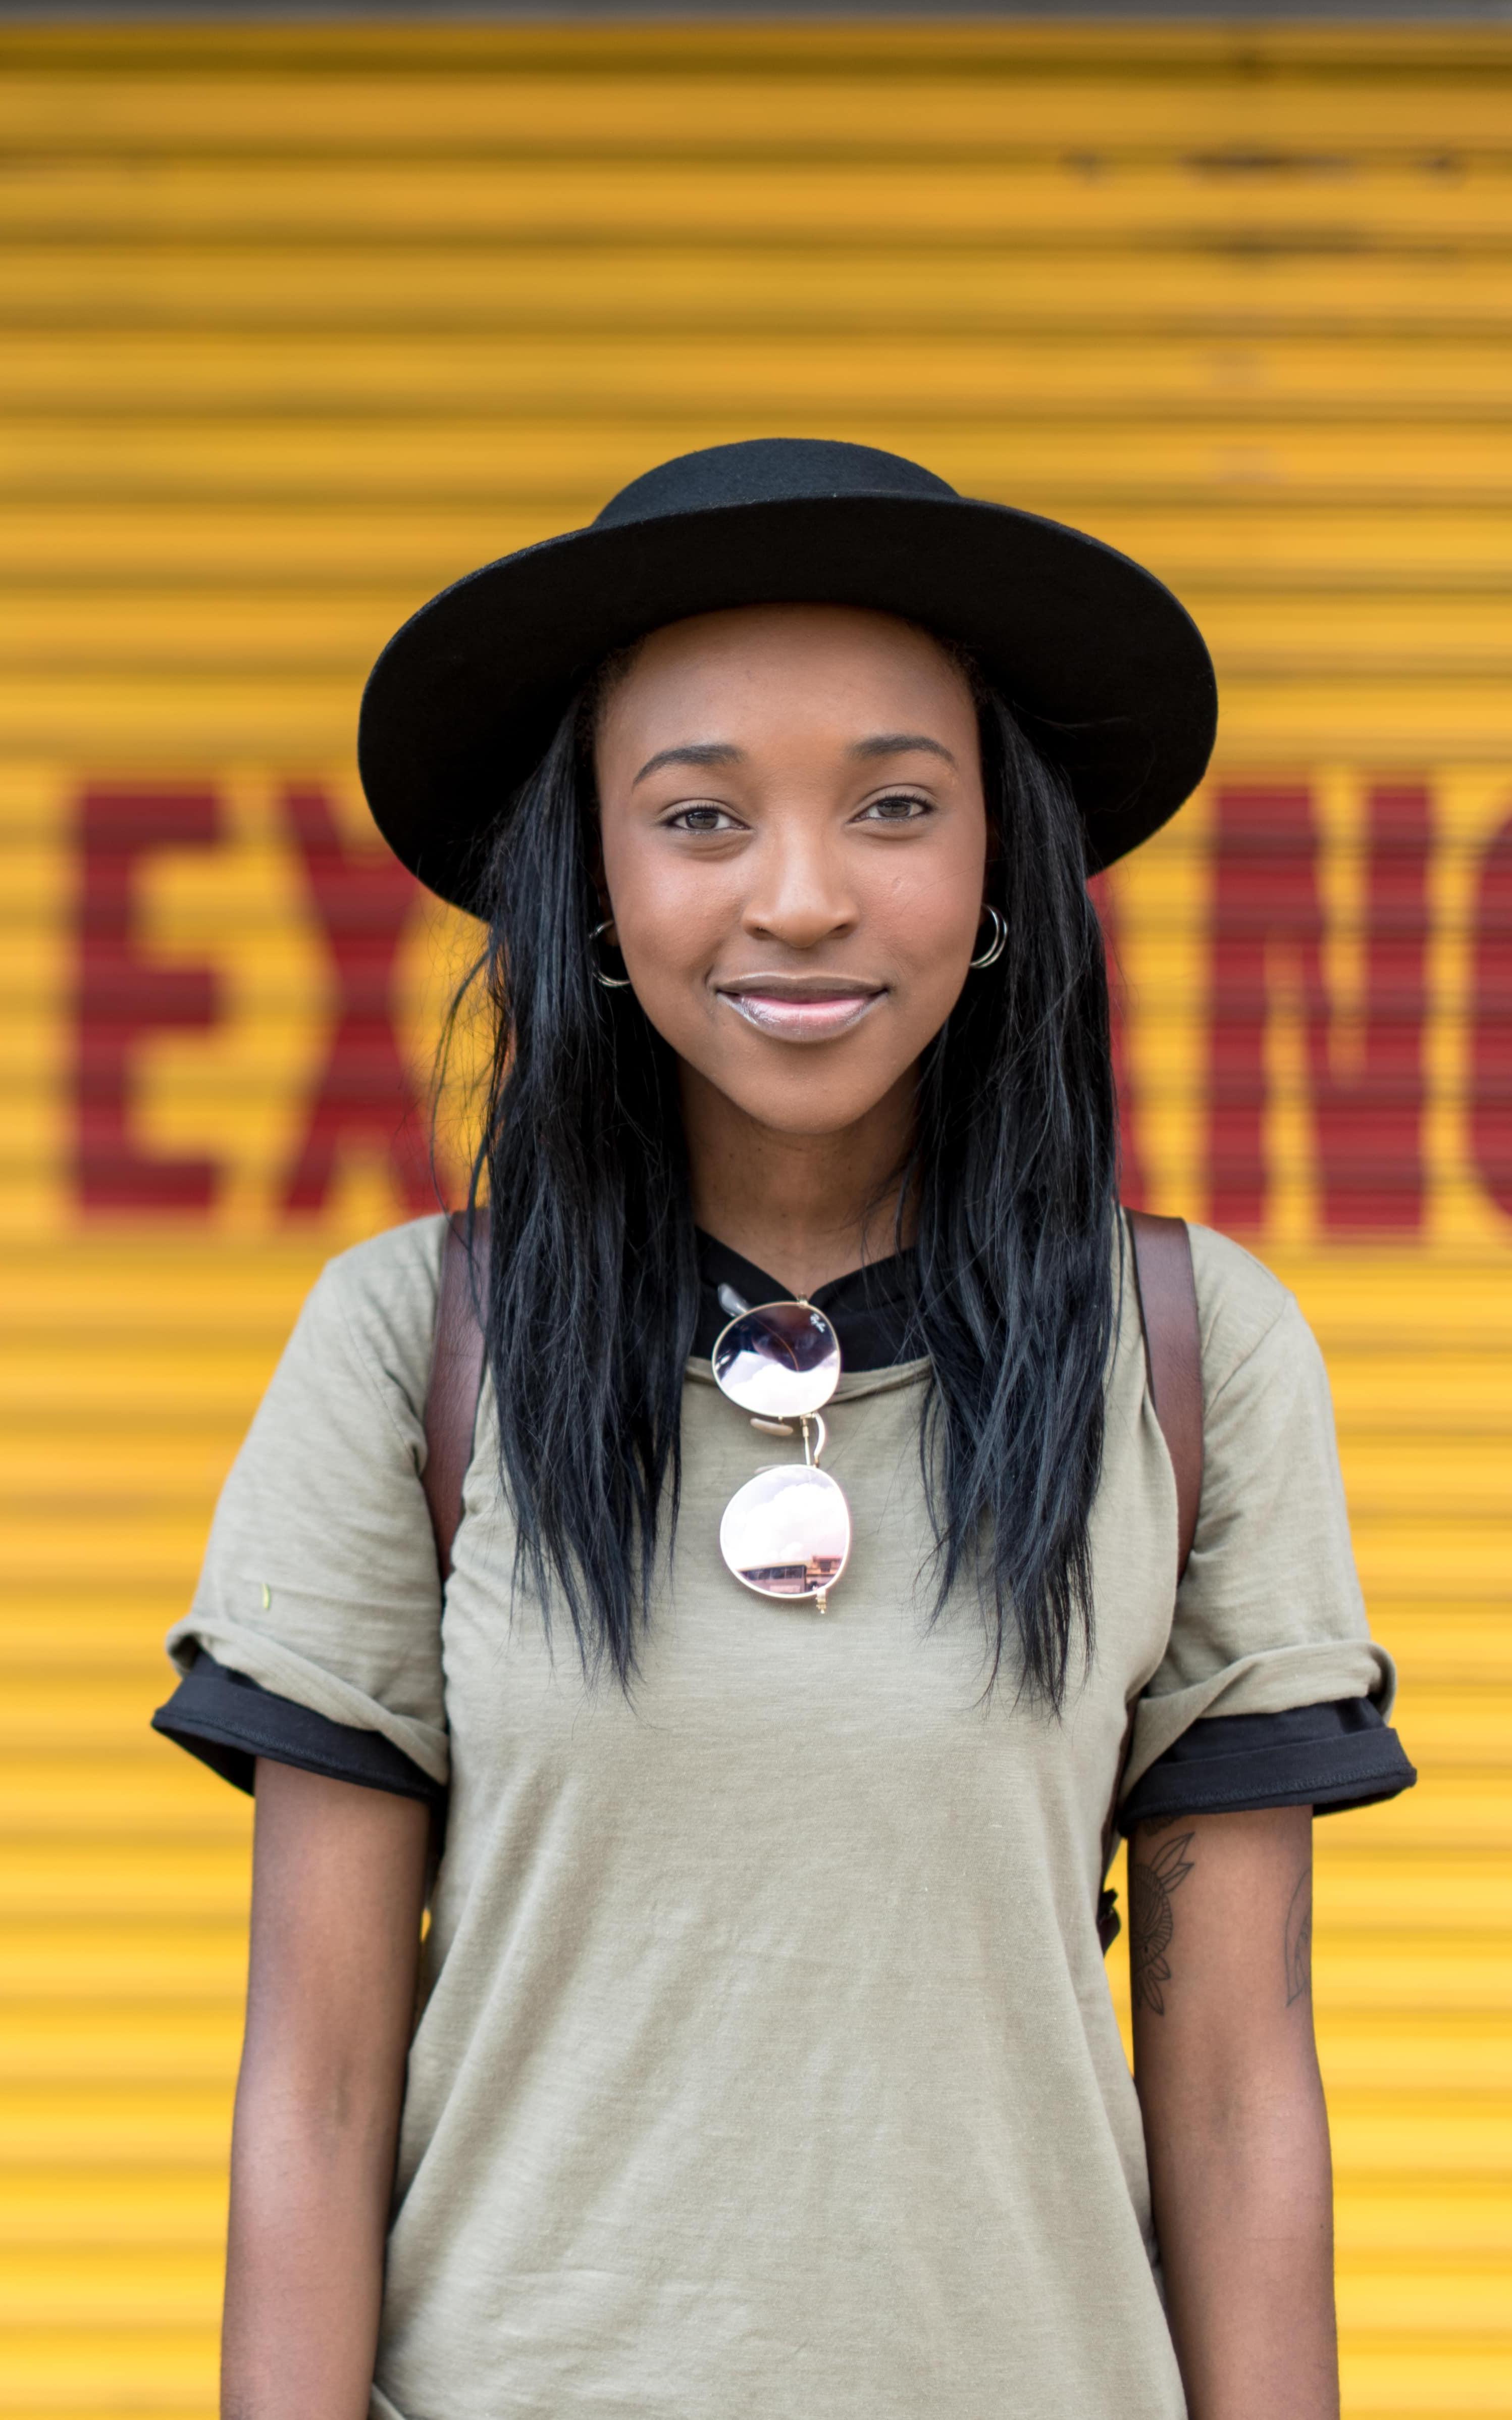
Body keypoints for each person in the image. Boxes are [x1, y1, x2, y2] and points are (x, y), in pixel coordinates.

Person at [154, 439, 1414, 2420]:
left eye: (895, 806)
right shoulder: (413, 1346)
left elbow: (1239, 2085)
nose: (802, 896)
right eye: (700, 815)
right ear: (593, 877)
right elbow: (311, 2083)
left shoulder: (1184, 1352)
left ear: (1001, 865)